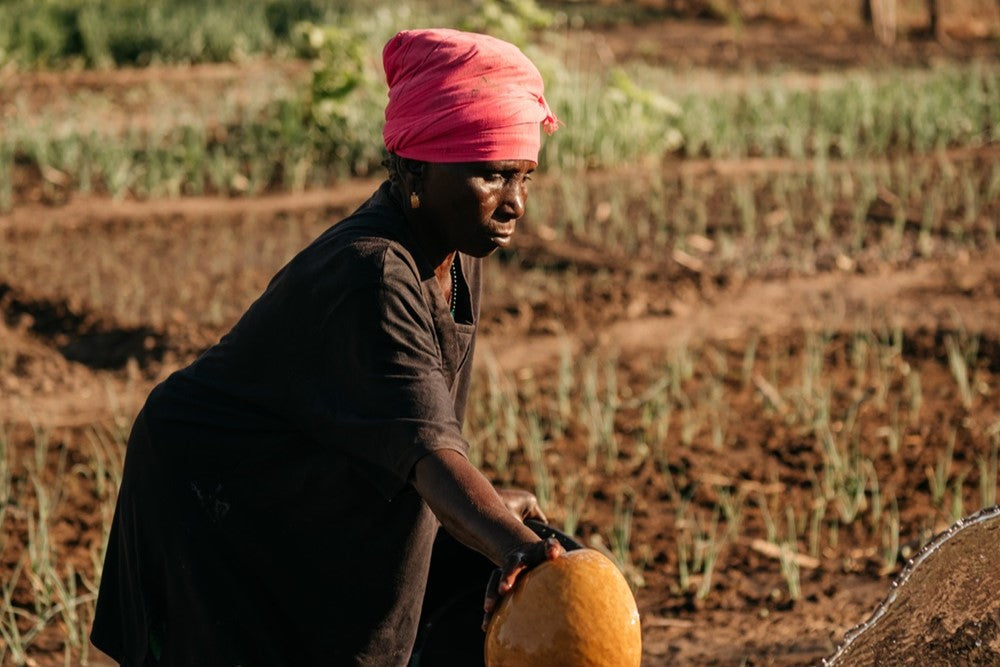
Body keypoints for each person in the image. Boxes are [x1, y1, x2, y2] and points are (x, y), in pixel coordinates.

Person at [90, 28, 566, 666]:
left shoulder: (456, 251)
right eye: (492, 175)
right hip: (222, 495)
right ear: (416, 166)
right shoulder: (374, 274)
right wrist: (510, 545)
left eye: (525, 176)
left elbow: (404, 420)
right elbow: (429, 455)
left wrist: (477, 515)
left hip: (312, 481)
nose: (515, 204)